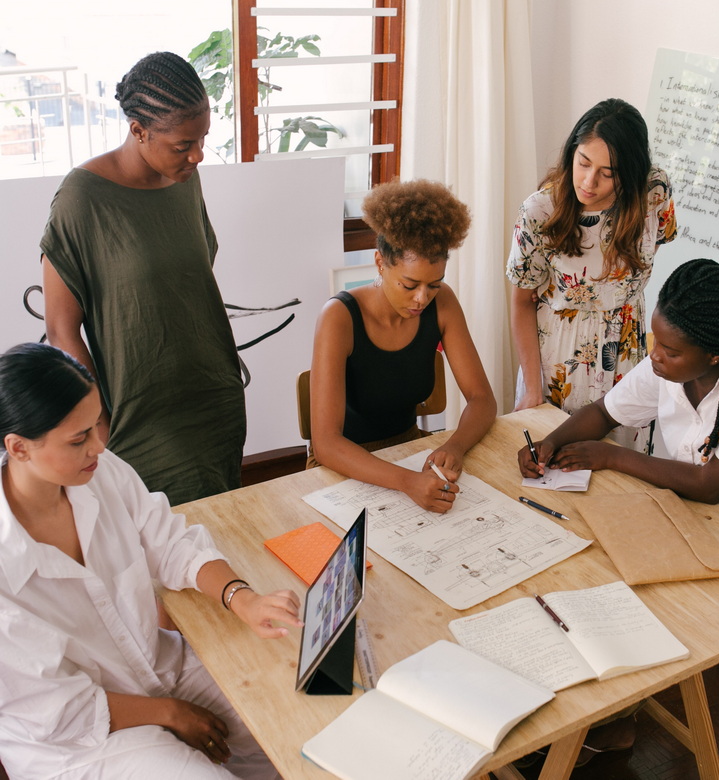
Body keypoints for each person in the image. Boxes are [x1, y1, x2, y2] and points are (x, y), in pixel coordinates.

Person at [0, 342, 302, 779]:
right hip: (79, 740)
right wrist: (171, 714)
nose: (99, 447)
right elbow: (59, 710)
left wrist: (244, 599)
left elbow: (170, 542)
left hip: (159, 667)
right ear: (19, 448)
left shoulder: (97, 471)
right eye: (79, 438)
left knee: (290, 723)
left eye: (97, 425)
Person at [41, 51, 245, 506]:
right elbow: (60, 330)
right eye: (182, 145)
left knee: (223, 533)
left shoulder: (184, 178)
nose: (198, 155)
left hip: (215, 398)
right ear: (139, 130)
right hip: (141, 418)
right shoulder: (82, 198)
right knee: (160, 551)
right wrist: (98, 425)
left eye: (203, 138)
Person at [518, 258, 719, 538]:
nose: (654, 354)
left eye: (671, 351)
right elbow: (604, 413)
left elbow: (708, 485)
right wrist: (552, 442)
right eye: (658, 342)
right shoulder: (668, 364)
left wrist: (611, 455)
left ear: (714, 354)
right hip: (699, 516)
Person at [309, 179, 496, 513]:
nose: (422, 298)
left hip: (408, 451)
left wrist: (455, 446)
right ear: (381, 263)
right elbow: (325, 444)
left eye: (434, 285)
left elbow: (482, 399)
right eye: (409, 285)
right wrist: (408, 482)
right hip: (344, 466)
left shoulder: (443, 304)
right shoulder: (339, 316)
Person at [506, 97, 677, 449]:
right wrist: (534, 386)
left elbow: (646, 257)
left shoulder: (653, 192)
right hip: (559, 363)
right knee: (551, 466)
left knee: (622, 474)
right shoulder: (540, 211)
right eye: (582, 163)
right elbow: (522, 301)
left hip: (627, 357)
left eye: (607, 173)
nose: (588, 181)